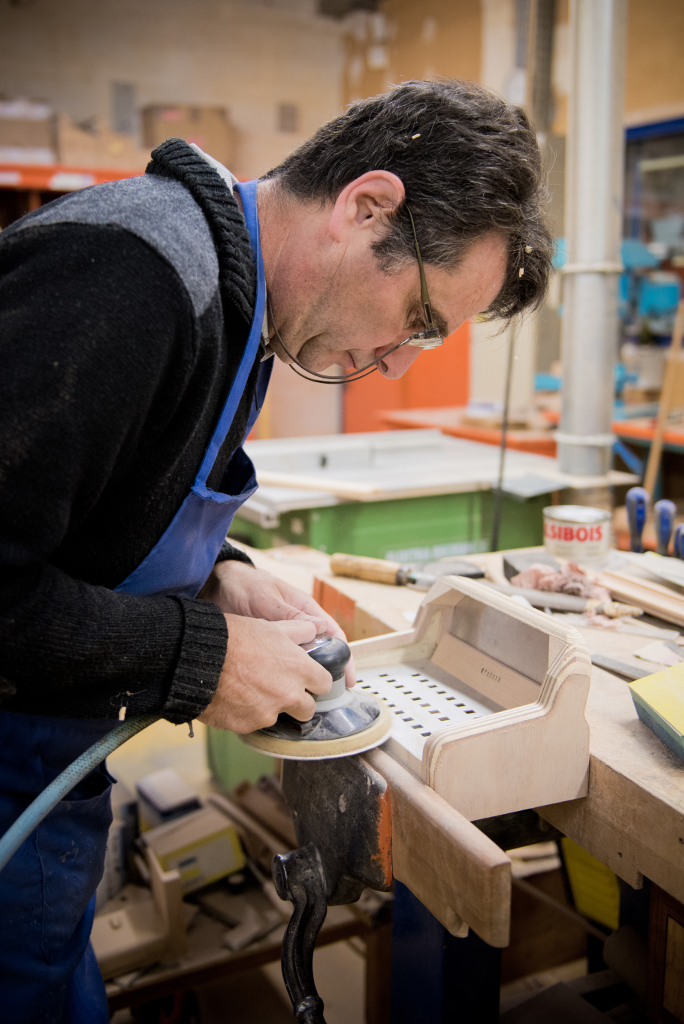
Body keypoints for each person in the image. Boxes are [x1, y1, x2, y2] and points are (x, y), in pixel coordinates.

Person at [0, 78, 552, 1020]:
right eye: (417, 320)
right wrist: (199, 658)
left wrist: (224, 578)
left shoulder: (241, 315)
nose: (397, 362)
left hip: (53, 770)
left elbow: (99, 506)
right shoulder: (135, 279)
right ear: (365, 206)